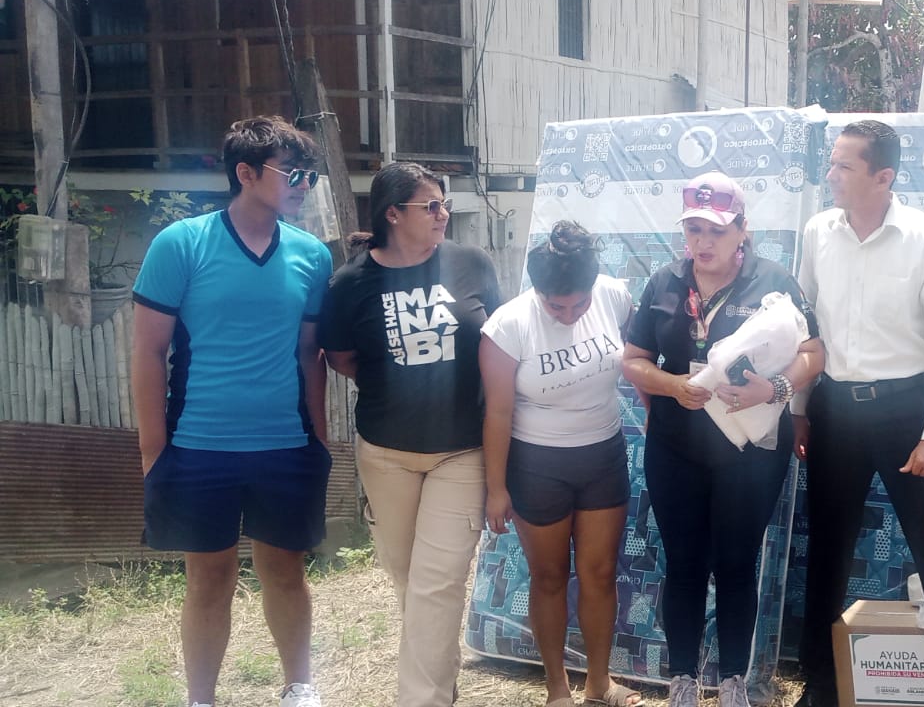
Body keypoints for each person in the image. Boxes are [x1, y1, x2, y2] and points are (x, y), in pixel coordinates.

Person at [130, 116, 333, 707]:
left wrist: (319, 441)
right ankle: (201, 698)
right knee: (209, 578)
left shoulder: (311, 255)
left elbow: (310, 354)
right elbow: (148, 351)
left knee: (287, 572)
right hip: (198, 448)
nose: (303, 184)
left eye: (309, 173)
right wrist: (153, 451)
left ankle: (299, 686)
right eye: (291, 172)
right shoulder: (181, 244)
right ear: (245, 173)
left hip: (286, 446)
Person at [793, 120, 924, 707]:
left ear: (883, 177)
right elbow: (804, 329)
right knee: (826, 552)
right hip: (835, 411)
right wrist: (801, 409)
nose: (831, 174)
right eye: (832, 162)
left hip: (907, 413)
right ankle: (820, 689)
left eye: (844, 166)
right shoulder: (818, 232)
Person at [622, 172, 823, 707]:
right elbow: (633, 360)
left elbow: (814, 353)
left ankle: (733, 681)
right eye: (694, 229)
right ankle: (682, 681)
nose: (703, 242)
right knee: (684, 562)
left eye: (716, 230)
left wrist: (775, 388)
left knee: (736, 562)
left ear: (742, 230)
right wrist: (673, 385)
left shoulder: (773, 281)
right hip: (676, 447)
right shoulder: (664, 282)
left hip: (749, 452)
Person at [318, 162, 500, 706]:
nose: (443, 214)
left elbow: (499, 342)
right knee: (411, 582)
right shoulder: (351, 283)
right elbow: (341, 358)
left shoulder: (471, 263)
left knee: (436, 582)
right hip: (386, 454)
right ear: (393, 214)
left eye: (444, 204)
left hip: (461, 451)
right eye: (431, 206)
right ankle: (440, 683)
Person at [480, 221, 642, 707]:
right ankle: (557, 689)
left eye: (579, 304)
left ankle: (599, 684)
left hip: (603, 454)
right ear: (537, 291)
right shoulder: (507, 326)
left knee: (600, 572)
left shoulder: (614, 297)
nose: (569, 315)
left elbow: (638, 358)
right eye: (556, 307)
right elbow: (498, 412)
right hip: (538, 464)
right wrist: (496, 489)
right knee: (549, 576)